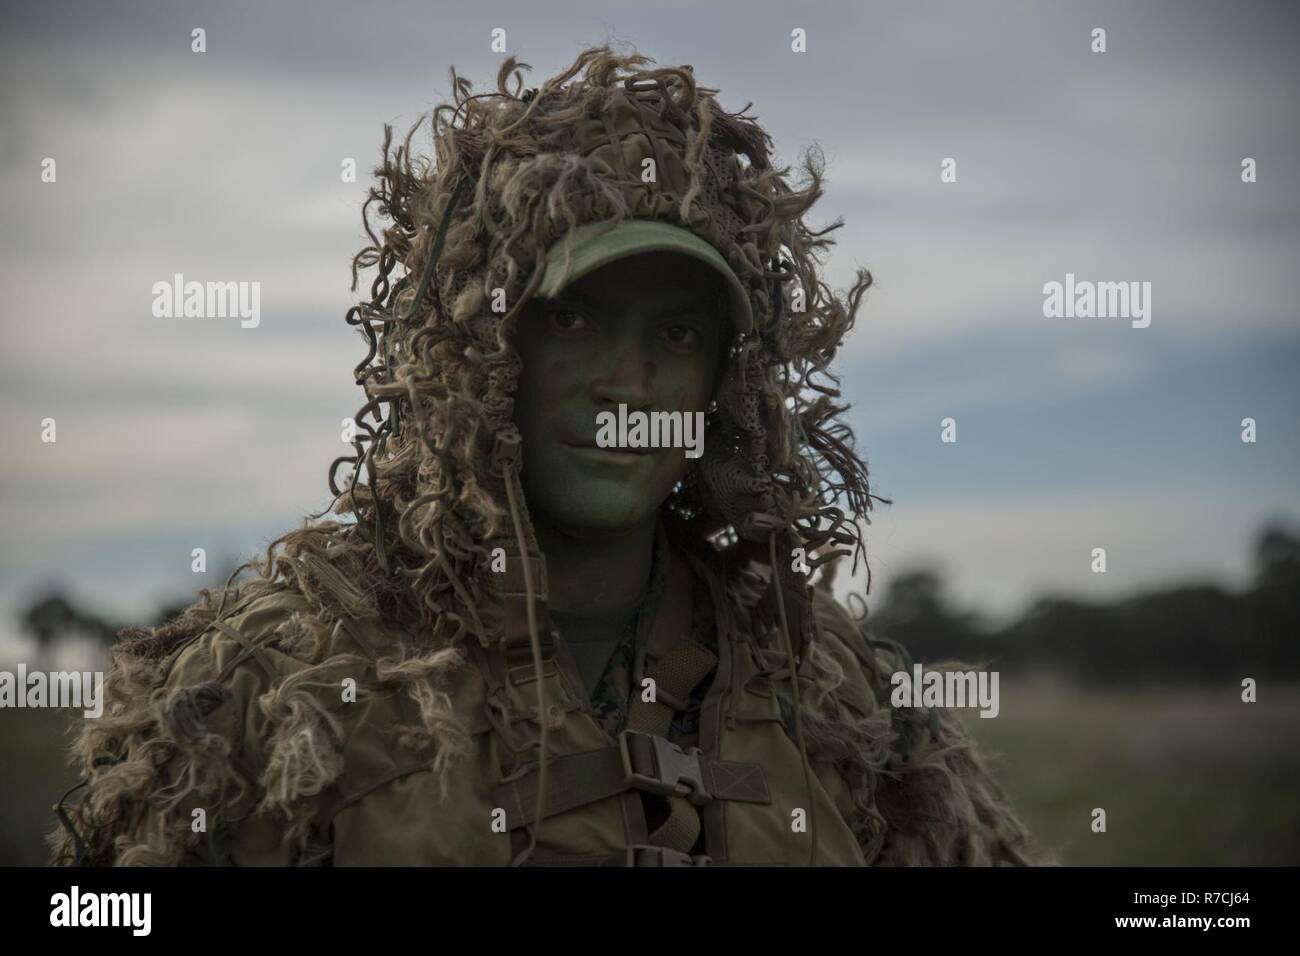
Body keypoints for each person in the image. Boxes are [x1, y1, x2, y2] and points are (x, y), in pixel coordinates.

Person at [52, 46, 1041, 866]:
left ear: (729, 385)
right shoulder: (279, 679)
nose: (628, 384)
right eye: (571, 318)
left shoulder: (828, 688)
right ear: (478, 353)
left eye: (678, 336)